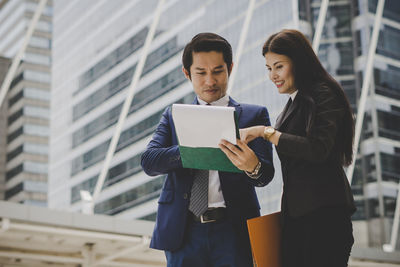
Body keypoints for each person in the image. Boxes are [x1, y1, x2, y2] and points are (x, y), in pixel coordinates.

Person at [219, 29, 356, 267]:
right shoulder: (290, 108)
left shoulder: (323, 93)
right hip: (297, 218)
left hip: (325, 216)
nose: (273, 75)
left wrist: (265, 131)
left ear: (299, 62)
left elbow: (318, 148)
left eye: (279, 66)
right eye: (269, 68)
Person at [141, 32, 275, 267]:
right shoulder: (173, 116)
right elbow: (149, 162)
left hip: (233, 231)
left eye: (217, 71)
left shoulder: (254, 115)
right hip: (183, 232)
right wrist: (194, 151)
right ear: (187, 73)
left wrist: (252, 166)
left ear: (230, 68)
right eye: (201, 73)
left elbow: (265, 176)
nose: (210, 81)